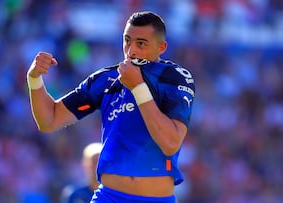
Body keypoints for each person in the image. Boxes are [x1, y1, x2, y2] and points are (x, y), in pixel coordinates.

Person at [27, 11, 195, 203]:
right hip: (108, 197)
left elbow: (170, 142)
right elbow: (49, 120)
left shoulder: (175, 78)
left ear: (161, 47)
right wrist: (34, 80)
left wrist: (138, 88)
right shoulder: (105, 79)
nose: (131, 51)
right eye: (127, 41)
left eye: (141, 43)